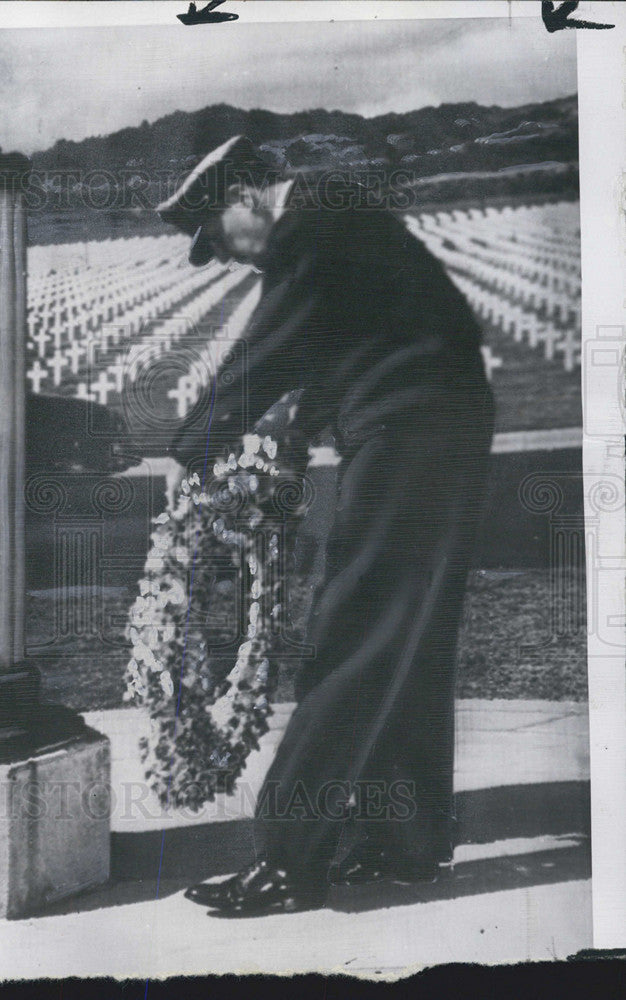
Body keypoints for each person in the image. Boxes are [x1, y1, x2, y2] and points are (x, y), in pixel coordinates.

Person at [154, 135, 496, 915]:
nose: (233, 257)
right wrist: (299, 434)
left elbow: (270, 345)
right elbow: (346, 337)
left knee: (352, 628)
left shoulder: (309, 222)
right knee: (405, 635)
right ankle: (401, 839)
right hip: (436, 424)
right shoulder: (338, 221)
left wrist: (192, 451)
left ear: (243, 195)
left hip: (410, 431)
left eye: (220, 238)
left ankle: (289, 859)